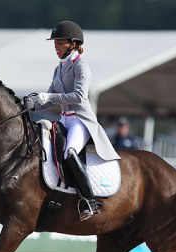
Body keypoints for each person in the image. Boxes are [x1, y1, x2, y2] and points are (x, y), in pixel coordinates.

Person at [28, 20, 120, 221]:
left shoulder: (81, 66)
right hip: (63, 119)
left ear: (73, 44)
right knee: (47, 149)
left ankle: (89, 200)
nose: (55, 46)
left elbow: (79, 96)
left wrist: (49, 97)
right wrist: (31, 105)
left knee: (70, 153)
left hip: (79, 120)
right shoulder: (58, 68)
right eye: (55, 43)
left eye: (59, 42)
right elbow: (50, 96)